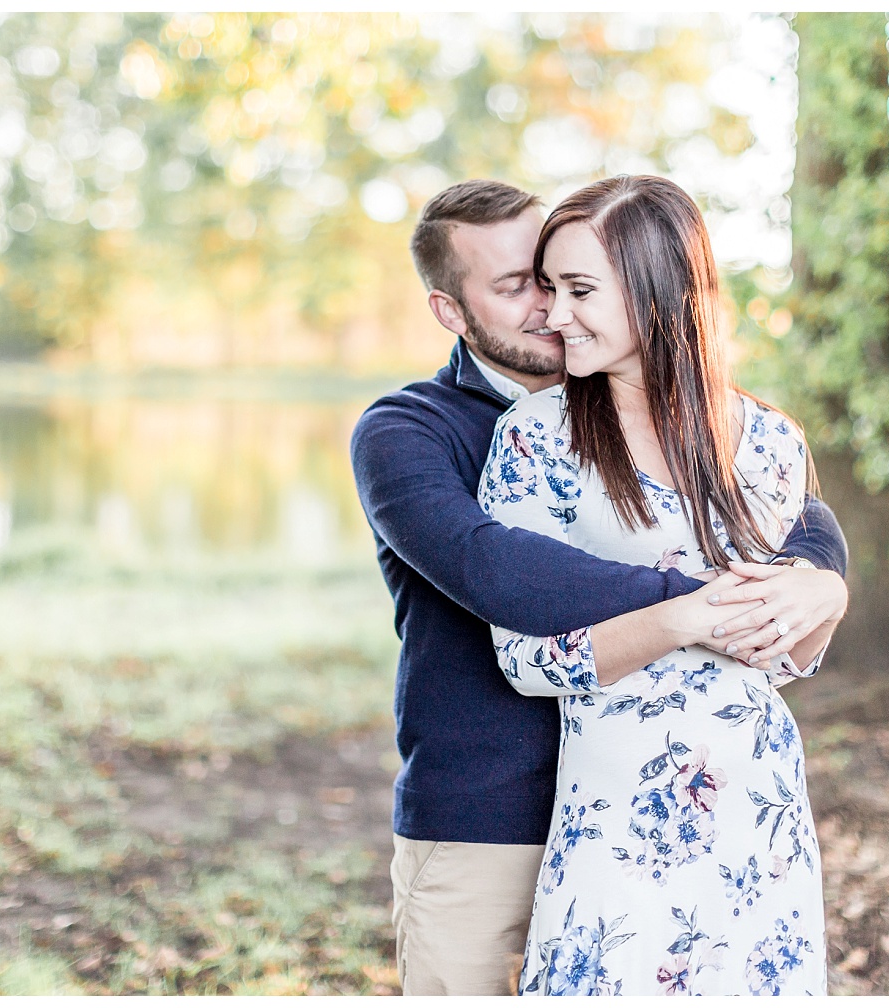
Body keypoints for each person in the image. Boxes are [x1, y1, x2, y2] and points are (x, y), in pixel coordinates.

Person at [349, 179, 848, 996]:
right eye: (521, 288)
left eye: (562, 280)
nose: (549, 307)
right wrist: (701, 606)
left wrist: (822, 579)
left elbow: (801, 519)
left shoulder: (742, 429)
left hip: (725, 800)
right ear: (451, 311)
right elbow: (492, 570)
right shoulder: (416, 431)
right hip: (493, 814)